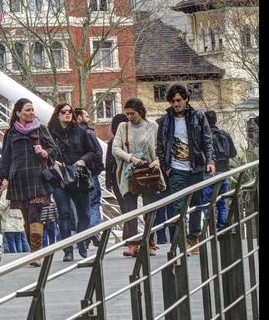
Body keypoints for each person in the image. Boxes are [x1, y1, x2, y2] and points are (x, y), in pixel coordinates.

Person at [156, 84, 216, 253]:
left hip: (196, 167)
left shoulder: (198, 117)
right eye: (173, 101)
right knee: (178, 206)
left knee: (196, 204)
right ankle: (181, 240)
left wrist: (210, 161)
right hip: (175, 170)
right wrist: (166, 166)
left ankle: (194, 238)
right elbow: (160, 145)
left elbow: (207, 140)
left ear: (186, 99)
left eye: (179, 100)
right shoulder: (165, 120)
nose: (176, 104)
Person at [0, 98, 55, 267]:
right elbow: (6, 157)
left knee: (34, 214)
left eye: (32, 110)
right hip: (19, 180)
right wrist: (0, 179)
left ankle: (37, 254)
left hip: (37, 178)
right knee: (27, 218)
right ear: (18, 113)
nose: (31, 113)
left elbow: (54, 149)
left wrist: (44, 152)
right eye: (27, 110)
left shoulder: (40, 129)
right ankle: (34, 252)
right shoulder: (11, 133)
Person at [48, 103, 99, 261]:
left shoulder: (81, 132)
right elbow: (45, 154)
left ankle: (82, 242)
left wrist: (83, 160)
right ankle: (67, 250)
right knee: (64, 214)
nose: (67, 114)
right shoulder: (50, 134)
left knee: (84, 214)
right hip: (60, 179)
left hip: (79, 177)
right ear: (58, 114)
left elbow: (93, 152)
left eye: (70, 111)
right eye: (63, 112)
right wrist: (53, 161)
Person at [111, 98, 161, 257]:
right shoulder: (123, 127)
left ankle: (149, 241)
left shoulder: (152, 126)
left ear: (140, 112)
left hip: (148, 171)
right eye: (127, 114)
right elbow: (115, 149)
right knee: (130, 210)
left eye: (132, 113)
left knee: (149, 209)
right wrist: (131, 158)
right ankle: (132, 243)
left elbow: (158, 147)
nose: (129, 117)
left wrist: (158, 160)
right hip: (129, 173)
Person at [75, 107, 106, 247]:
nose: (89, 118)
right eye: (86, 115)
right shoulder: (88, 132)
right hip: (90, 173)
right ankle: (94, 230)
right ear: (79, 118)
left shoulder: (71, 134)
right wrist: (97, 169)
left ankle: (84, 235)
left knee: (81, 205)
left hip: (76, 174)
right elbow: (97, 152)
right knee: (94, 203)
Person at [202, 111, 236, 230]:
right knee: (223, 202)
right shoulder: (225, 134)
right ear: (216, 120)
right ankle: (222, 229)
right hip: (224, 171)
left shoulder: (204, 136)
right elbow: (233, 153)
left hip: (208, 172)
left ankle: (209, 229)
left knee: (207, 203)